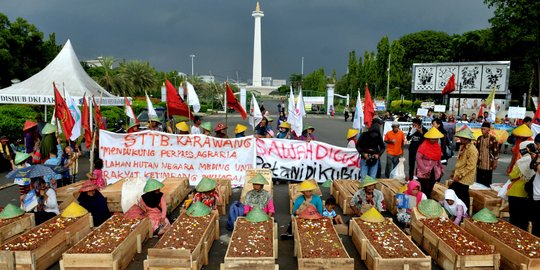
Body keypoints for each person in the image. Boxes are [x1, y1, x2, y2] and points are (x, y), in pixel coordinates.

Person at [506, 141, 535, 230]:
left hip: (516, 192)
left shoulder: (521, 161)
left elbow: (512, 175)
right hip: (527, 193)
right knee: (523, 219)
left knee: (514, 218)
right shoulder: (534, 161)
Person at [449, 127, 478, 210]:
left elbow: (471, 166)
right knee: (461, 195)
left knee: (461, 195)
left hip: (465, 177)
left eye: (462, 138)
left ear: (466, 139)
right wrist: (454, 172)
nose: (460, 139)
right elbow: (459, 162)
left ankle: (464, 213)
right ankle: (461, 212)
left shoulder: (472, 150)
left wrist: (460, 175)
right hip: (459, 174)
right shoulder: (462, 147)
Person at [415, 127, 445, 199]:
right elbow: (418, 158)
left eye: (435, 138)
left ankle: (428, 203)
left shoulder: (437, 146)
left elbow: (438, 159)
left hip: (434, 171)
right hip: (424, 172)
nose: (433, 140)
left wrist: (441, 168)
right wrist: (424, 169)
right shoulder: (423, 146)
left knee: (431, 188)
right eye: (432, 138)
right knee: (424, 188)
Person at [475, 122, 499, 187]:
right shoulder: (479, 138)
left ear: (488, 130)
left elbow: (496, 152)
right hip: (480, 163)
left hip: (489, 163)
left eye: (484, 129)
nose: (482, 131)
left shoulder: (493, 139)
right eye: (482, 129)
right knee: (479, 181)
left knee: (487, 182)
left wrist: (495, 162)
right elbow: (476, 151)